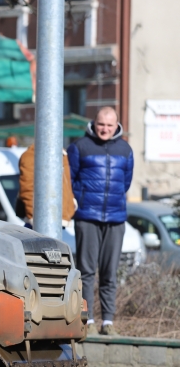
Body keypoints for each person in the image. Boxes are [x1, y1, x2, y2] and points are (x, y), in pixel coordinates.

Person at [68, 107, 134, 336]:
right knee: (86, 271)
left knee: (109, 272)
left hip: (116, 218)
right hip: (87, 217)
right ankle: (88, 320)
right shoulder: (79, 147)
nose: (105, 129)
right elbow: (70, 179)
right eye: (101, 124)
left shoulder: (125, 150)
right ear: (94, 123)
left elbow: (126, 183)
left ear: (117, 126)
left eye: (109, 125)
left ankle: (108, 322)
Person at [16, 144, 76, 228]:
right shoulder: (30, 155)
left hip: (56, 218)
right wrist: (33, 217)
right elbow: (27, 190)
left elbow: (67, 185)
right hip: (40, 220)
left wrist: (70, 205)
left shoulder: (62, 154)